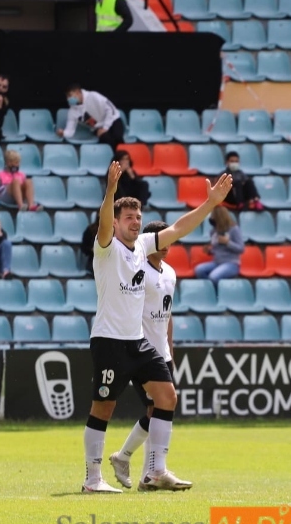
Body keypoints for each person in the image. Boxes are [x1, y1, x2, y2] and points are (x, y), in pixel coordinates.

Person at [80, 162, 232, 493]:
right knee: (103, 407)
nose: (135, 222)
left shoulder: (144, 247)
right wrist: (110, 192)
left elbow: (178, 228)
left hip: (137, 342)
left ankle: (155, 471)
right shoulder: (106, 249)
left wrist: (210, 205)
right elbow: (104, 223)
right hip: (109, 340)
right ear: (117, 223)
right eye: (128, 218)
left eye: (138, 217)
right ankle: (92, 479)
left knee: (167, 396)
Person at [108, 219, 176, 491]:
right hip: (142, 351)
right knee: (157, 407)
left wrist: (170, 347)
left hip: (163, 353)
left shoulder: (170, 273)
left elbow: (167, 312)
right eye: (160, 240)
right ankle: (145, 469)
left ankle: (136, 465)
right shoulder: (139, 271)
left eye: (169, 239)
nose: (167, 245)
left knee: (161, 408)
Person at [57, 84, 124, 151]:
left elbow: (110, 108)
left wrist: (105, 127)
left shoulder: (93, 96)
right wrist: (63, 133)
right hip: (98, 128)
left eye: (70, 95)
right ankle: (116, 161)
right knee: (108, 140)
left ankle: (121, 160)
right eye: (67, 96)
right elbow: (70, 130)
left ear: (78, 92)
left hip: (113, 120)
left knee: (118, 138)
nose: (68, 99)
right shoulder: (72, 112)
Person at [194, 206, 244, 284]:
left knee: (213, 277)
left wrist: (227, 243)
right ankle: (210, 291)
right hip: (217, 262)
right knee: (199, 270)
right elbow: (217, 250)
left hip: (231, 263)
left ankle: (218, 294)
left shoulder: (234, 229)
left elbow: (241, 249)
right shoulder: (213, 231)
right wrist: (209, 251)